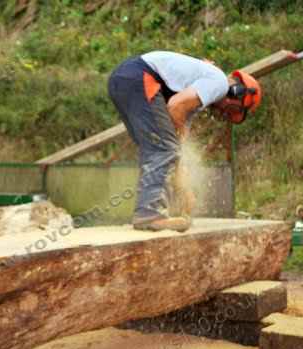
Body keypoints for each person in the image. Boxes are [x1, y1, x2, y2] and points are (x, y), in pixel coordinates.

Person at [108, 51, 262, 232]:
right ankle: (150, 214)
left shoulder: (197, 91)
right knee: (163, 149)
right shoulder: (219, 83)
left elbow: (177, 145)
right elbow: (175, 107)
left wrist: (184, 188)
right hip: (139, 78)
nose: (224, 113)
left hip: (122, 80)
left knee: (156, 148)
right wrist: (173, 154)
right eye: (231, 109)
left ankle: (149, 210)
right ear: (237, 92)